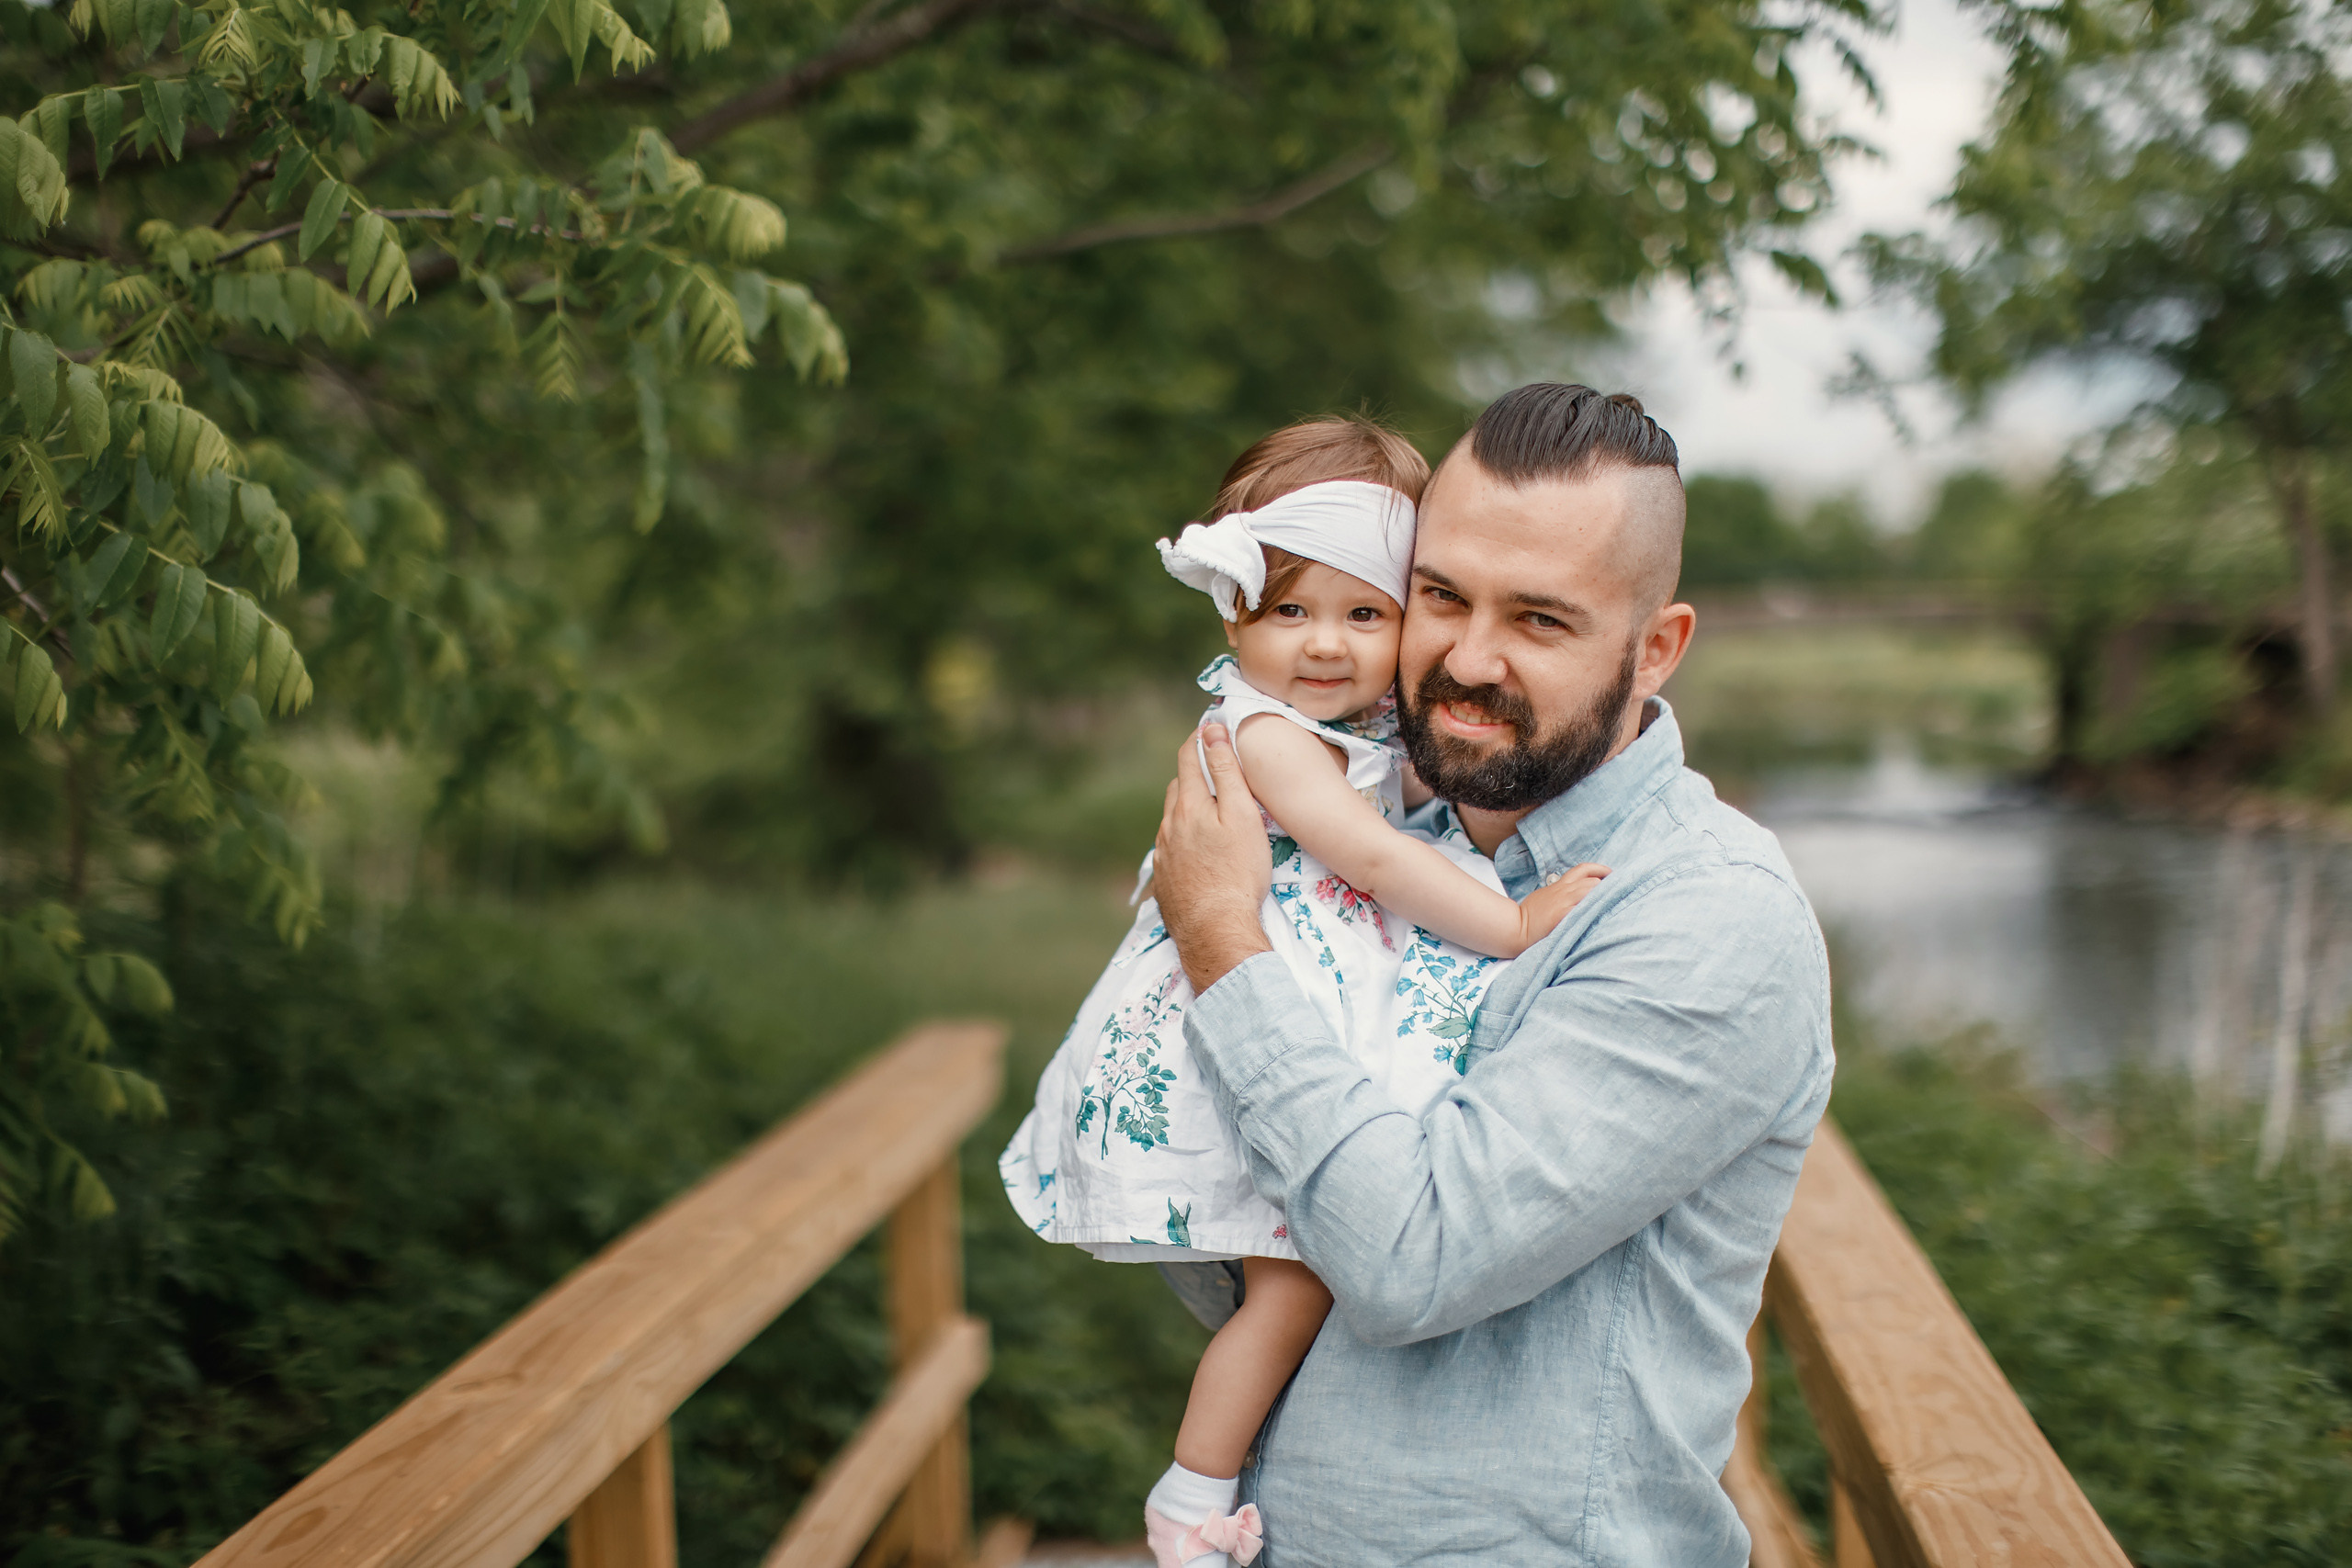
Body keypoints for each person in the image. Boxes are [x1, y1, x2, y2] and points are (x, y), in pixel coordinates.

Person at [1148, 384, 1834, 1566]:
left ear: (1654, 648)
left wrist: (1222, 941)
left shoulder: (1708, 916)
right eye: (1440, 595)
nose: (1467, 658)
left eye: (1540, 622)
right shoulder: (1371, 841)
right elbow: (1229, 1259)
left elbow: (1407, 1259)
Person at [999, 418, 1605, 1568]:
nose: (1324, 645)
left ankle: (1247, 1479)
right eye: (1291, 611)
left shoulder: (1346, 728)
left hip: (1297, 1010)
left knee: (1296, 1283)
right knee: (1290, 1287)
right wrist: (1514, 922)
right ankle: (1190, 1498)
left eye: (1362, 614)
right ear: (1235, 615)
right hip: (1250, 1024)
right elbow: (1375, 858)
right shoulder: (1271, 740)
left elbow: (1408, 793)